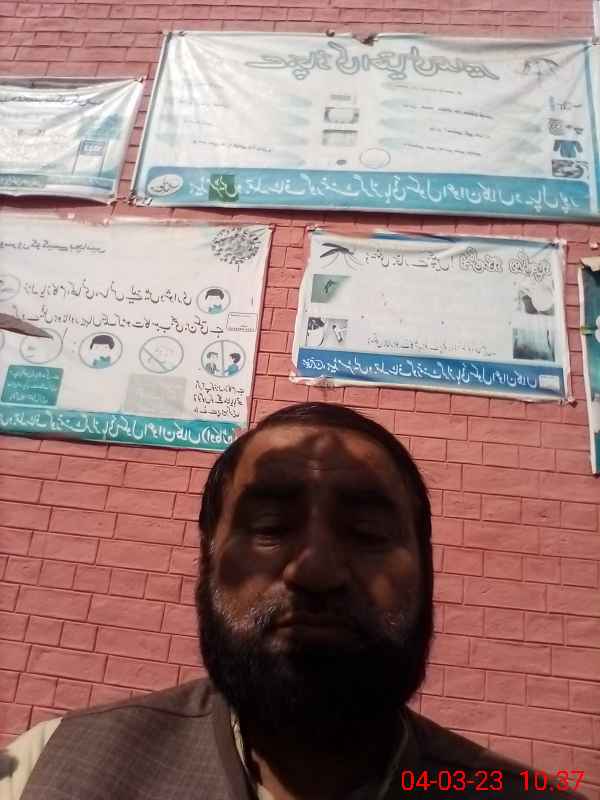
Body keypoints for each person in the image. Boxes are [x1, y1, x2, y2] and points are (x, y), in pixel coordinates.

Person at [0, 403, 585, 799]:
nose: (316, 570)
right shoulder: (46, 769)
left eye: (367, 534)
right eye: (270, 528)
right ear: (207, 562)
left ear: (428, 573)